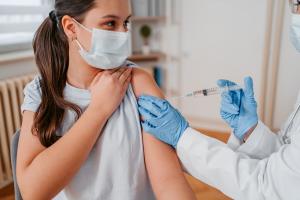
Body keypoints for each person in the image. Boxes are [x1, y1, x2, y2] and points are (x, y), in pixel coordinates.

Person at [16, 0, 196, 199]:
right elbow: (33, 191)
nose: (123, 34)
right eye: (110, 23)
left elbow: (169, 184)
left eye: (126, 23)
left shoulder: (137, 83)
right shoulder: (42, 93)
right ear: (71, 27)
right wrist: (98, 111)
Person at [137, 1, 300, 199]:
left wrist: (183, 137)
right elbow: (288, 166)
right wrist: (250, 130)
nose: (295, 12)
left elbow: (271, 186)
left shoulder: (139, 80)